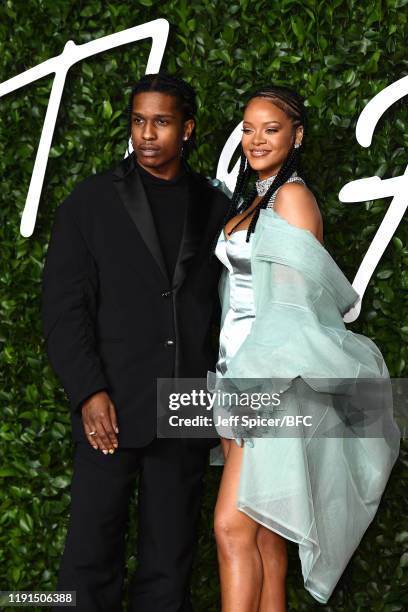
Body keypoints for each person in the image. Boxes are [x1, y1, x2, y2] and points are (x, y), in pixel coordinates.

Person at [41, 72, 229, 612]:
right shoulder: (90, 202)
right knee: (89, 557)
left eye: (162, 122)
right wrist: (87, 391)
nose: (147, 134)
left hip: (186, 404)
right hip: (111, 404)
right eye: (139, 121)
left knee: (169, 562)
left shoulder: (214, 208)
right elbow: (63, 308)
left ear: (187, 129)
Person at [209, 86, 401, 610]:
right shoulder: (256, 196)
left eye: (270, 129)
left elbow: (295, 315)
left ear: (297, 136)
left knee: (231, 529)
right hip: (231, 376)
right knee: (266, 535)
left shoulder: (292, 198)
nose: (255, 140)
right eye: (248, 129)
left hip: (265, 382)